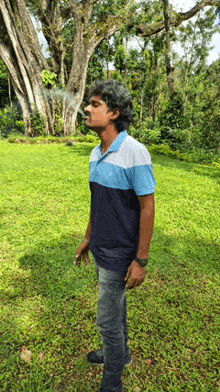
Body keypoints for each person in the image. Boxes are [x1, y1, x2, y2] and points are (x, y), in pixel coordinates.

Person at [75, 80, 156, 392]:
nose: (87, 108)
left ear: (114, 113)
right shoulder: (96, 153)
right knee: (116, 309)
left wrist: (141, 260)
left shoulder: (135, 152)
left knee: (107, 321)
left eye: (95, 104)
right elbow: (98, 204)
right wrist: (87, 238)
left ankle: (112, 385)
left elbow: (147, 207)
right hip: (100, 247)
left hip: (120, 254)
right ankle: (119, 355)